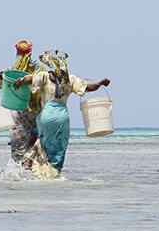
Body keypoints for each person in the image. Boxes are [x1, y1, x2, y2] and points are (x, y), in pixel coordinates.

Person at [10, 50, 110, 178]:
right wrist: (101, 83)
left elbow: (30, 79)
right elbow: (88, 88)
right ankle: (53, 174)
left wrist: (21, 80)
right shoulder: (70, 79)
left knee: (43, 141)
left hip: (46, 115)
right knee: (59, 147)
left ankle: (34, 164)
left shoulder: (44, 76)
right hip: (62, 117)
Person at [0, 40, 45, 166]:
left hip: (19, 109)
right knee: (37, 137)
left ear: (17, 52)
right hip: (37, 108)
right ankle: (32, 163)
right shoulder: (39, 68)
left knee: (19, 141)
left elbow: (1, 85)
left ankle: (19, 167)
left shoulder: (12, 69)